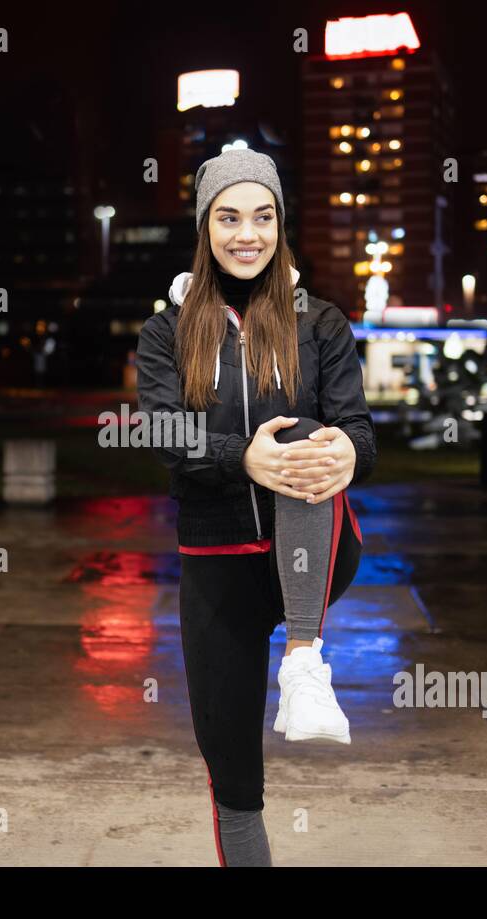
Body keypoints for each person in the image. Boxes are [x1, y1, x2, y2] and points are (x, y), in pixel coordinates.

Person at [135, 148, 378, 866]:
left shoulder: (321, 322)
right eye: (230, 217)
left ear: (281, 224)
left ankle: (305, 659)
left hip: (310, 550)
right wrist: (242, 456)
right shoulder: (167, 330)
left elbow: (362, 437)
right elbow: (161, 429)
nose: (249, 234)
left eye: (264, 217)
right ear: (206, 228)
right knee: (232, 767)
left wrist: (343, 454)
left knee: (310, 437)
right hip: (217, 562)